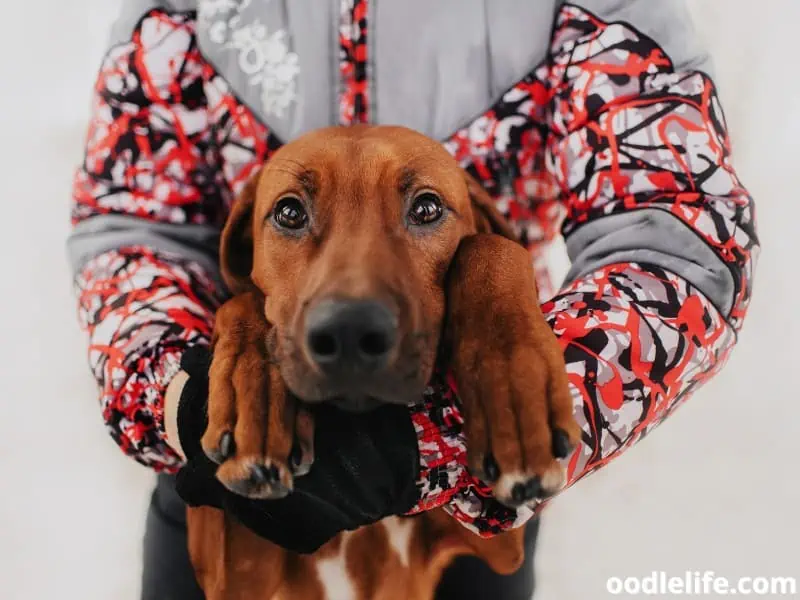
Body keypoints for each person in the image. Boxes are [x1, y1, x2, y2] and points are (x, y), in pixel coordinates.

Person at [69, 1, 758, 598]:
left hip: (479, 440)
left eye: (424, 209)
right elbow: (133, 228)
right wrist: (180, 394)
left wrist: (451, 423)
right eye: (288, 215)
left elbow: (677, 233)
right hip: (237, 429)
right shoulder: (172, 10)